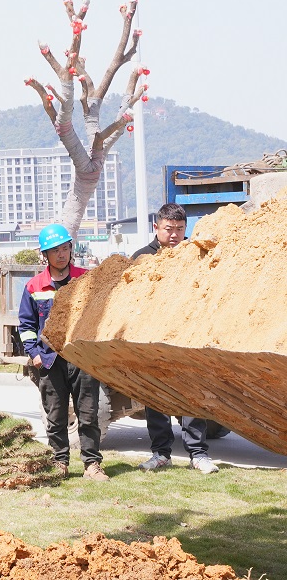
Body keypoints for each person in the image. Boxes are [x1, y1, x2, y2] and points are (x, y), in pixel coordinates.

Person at [131, 203, 219, 474]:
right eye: (169, 228)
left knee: (192, 398)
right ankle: (160, 454)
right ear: (156, 227)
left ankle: (198, 454)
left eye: (180, 229)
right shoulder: (142, 258)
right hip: (152, 342)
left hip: (188, 341)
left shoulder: (197, 255)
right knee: (155, 399)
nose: (174, 235)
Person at [18, 223, 109, 481]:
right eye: (55, 250)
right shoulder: (35, 286)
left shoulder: (86, 279)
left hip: (82, 358)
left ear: (71, 249)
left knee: (88, 413)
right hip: (49, 360)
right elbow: (26, 325)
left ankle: (92, 464)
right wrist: (34, 353)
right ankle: (60, 462)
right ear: (45, 255)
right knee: (56, 414)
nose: (61, 254)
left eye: (65, 249)